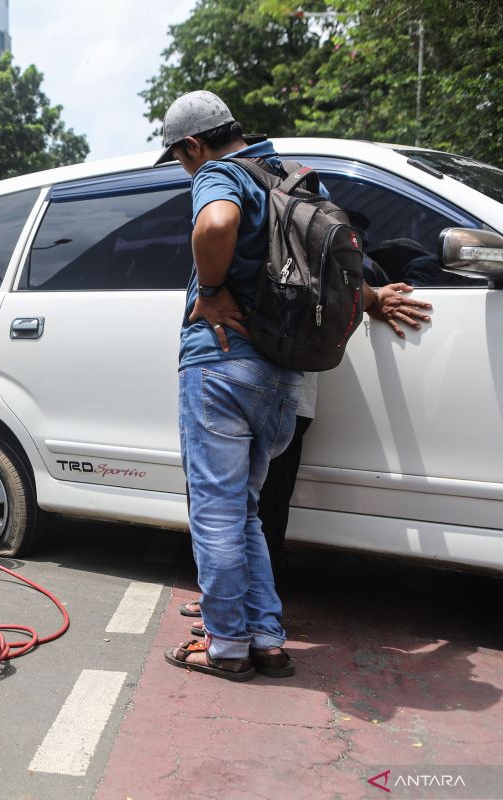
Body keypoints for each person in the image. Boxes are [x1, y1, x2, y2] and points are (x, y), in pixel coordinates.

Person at [156, 90, 409, 682]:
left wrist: (214, 291)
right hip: (281, 374)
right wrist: (371, 299)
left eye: (179, 157)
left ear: (194, 144)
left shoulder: (221, 174)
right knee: (245, 513)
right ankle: (266, 638)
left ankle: (224, 646)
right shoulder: (295, 180)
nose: (183, 169)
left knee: (215, 515)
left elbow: (215, 224)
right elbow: (336, 270)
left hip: (221, 366)